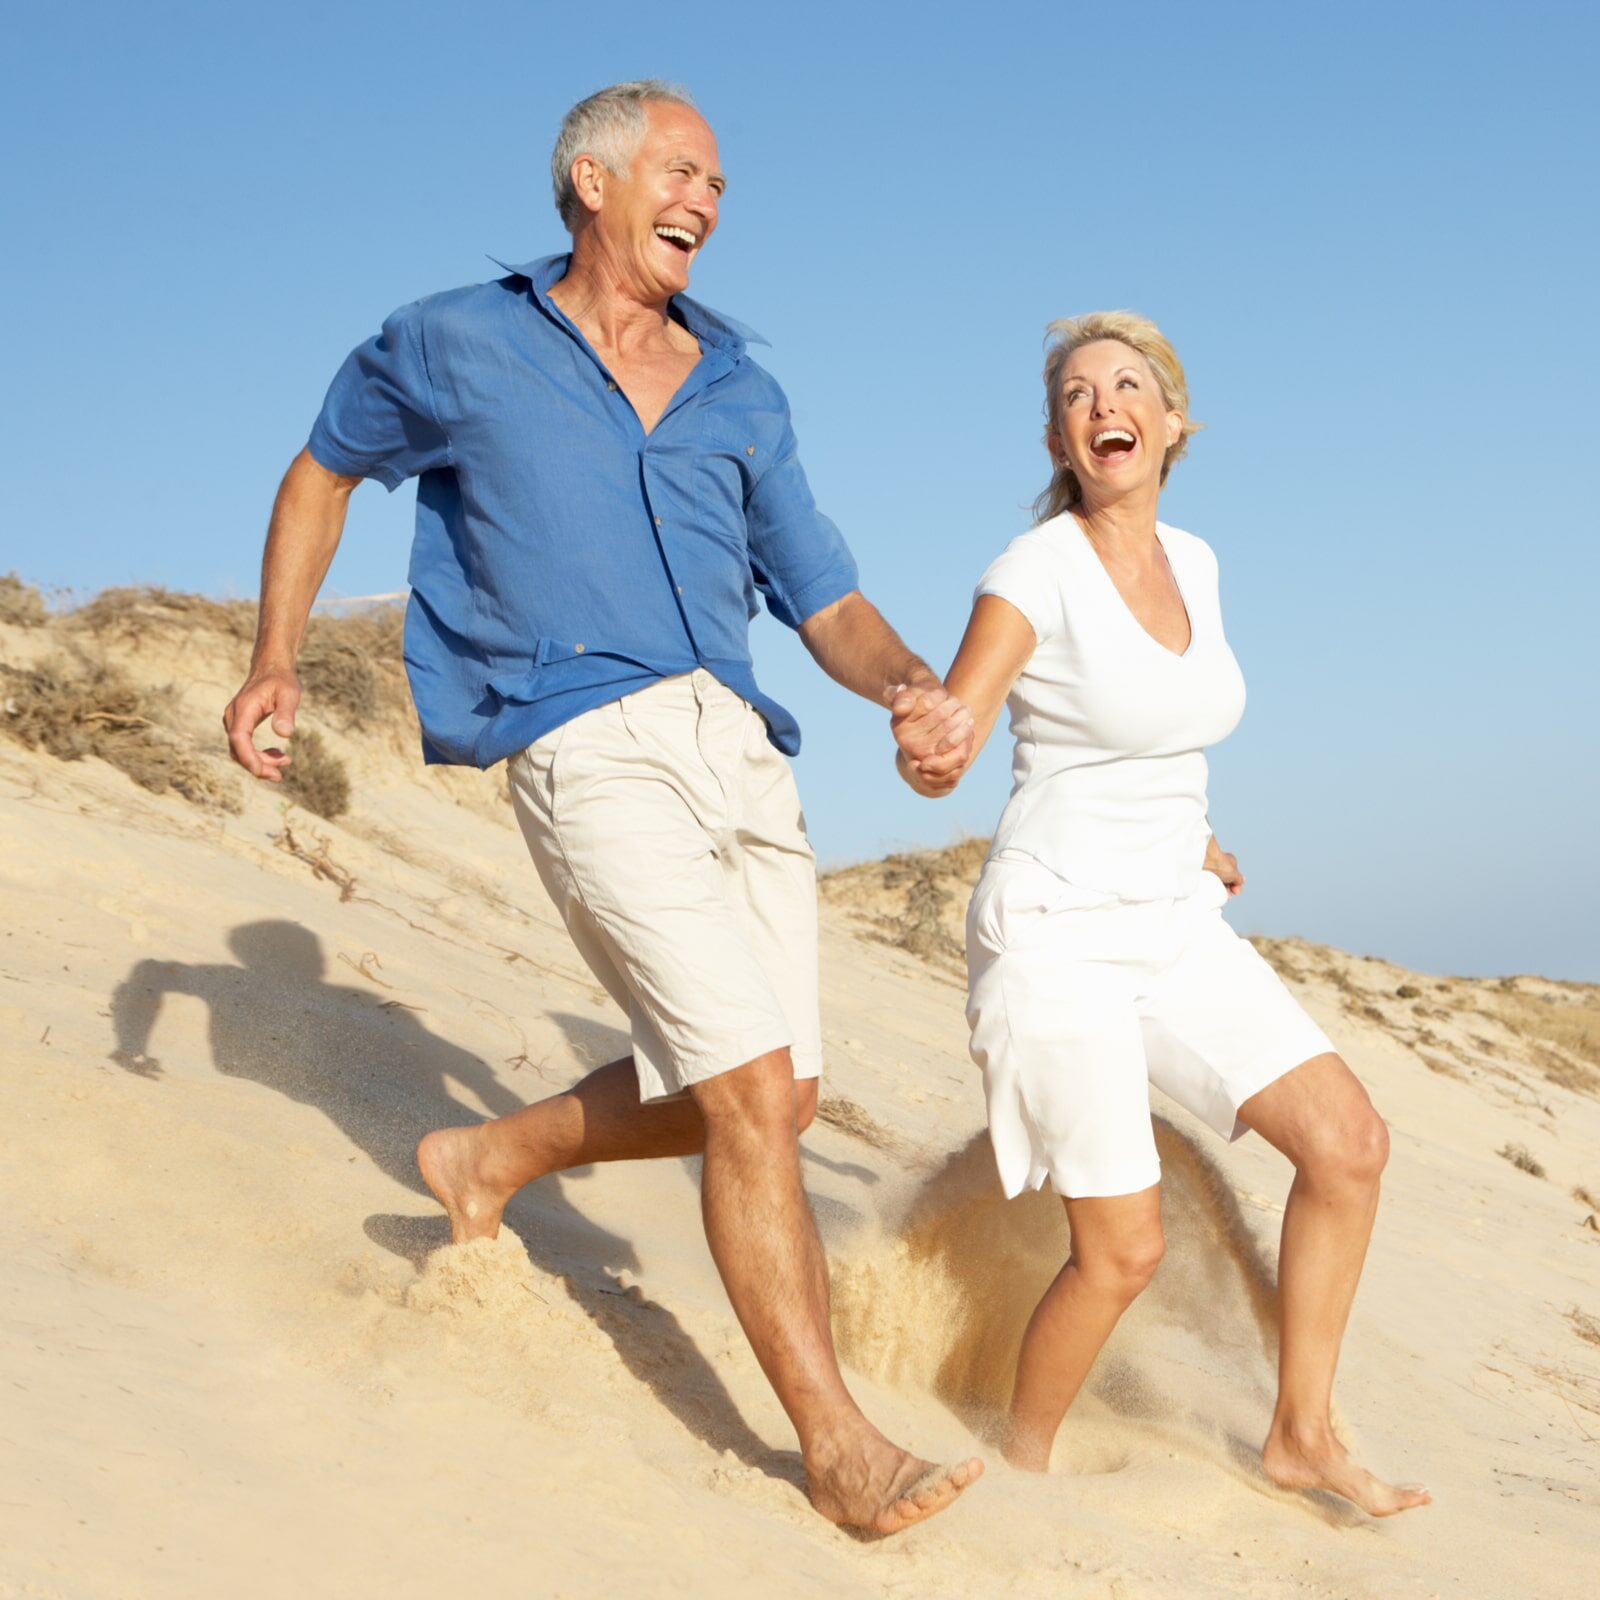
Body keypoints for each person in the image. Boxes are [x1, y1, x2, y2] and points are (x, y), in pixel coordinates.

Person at [223, 79, 980, 1535]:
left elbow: (825, 598)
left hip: (741, 750)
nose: (707, 198)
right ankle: (836, 1446)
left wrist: (912, 687)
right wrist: (274, 659)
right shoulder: (458, 339)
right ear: (592, 177)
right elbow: (323, 471)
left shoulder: (741, 388)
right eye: (682, 170)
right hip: (583, 736)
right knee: (752, 1097)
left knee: (773, 1095)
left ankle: (483, 1156)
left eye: (718, 184)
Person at [896, 311, 1429, 1517]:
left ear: (1172, 422)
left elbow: (1155, 733)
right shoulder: (1032, 570)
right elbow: (965, 721)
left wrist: (1189, 837)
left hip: (1171, 916)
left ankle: (1301, 1434)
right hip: (1055, 933)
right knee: (1122, 1251)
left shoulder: (1197, 560)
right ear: (1058, 437)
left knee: (1348, 1147)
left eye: (1127, 386)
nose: (1103, 405)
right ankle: (1019, 1472)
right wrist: (936, 744)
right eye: (1078, 394)